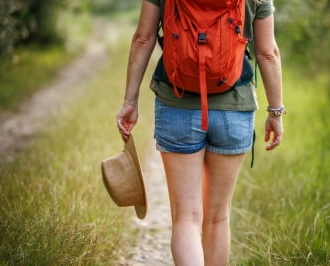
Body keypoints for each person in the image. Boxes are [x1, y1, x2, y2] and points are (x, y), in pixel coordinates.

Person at [117, 0, 285, 265]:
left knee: (186, 217)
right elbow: (268, 53)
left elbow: (142, 39)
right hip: (234, 109)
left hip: (177, 104)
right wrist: (275, 112)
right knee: (218, 217)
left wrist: (130, 102)